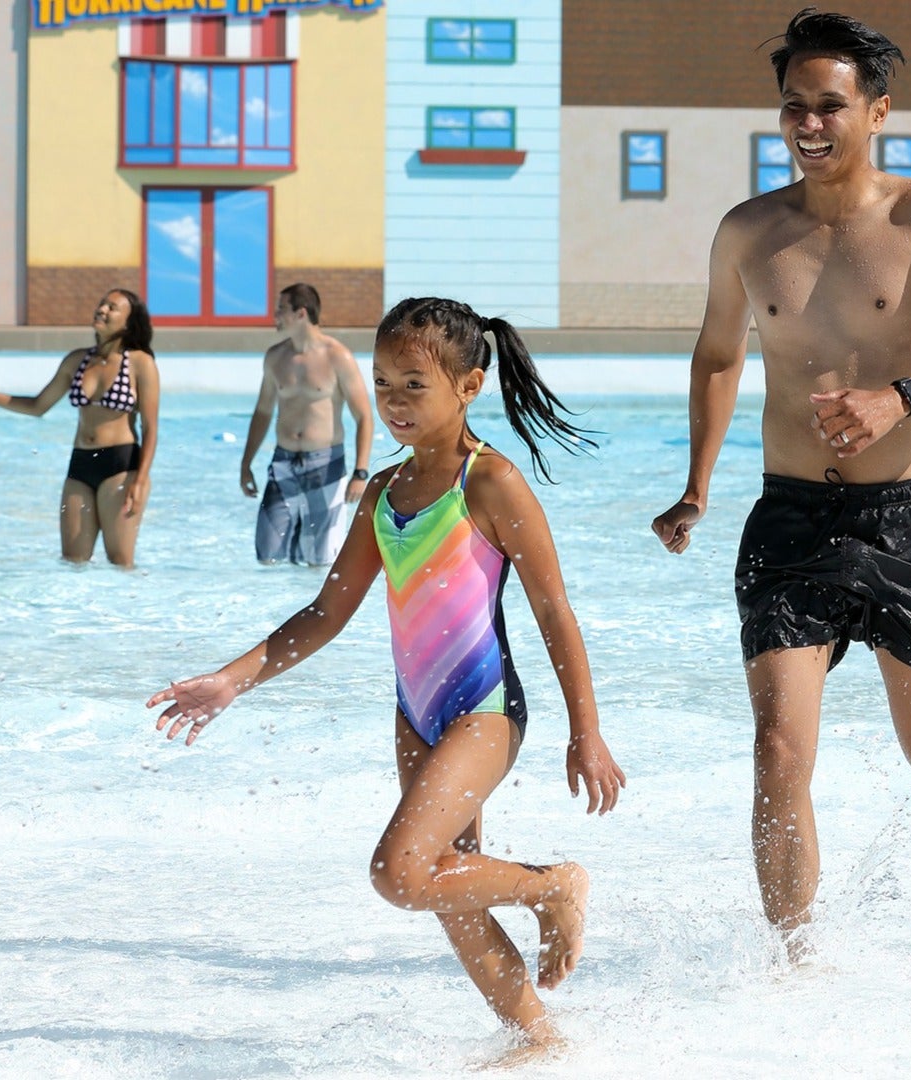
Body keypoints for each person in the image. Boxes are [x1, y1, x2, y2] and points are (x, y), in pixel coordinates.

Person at [148, 297, 625, 1053]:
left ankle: (551, 885)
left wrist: (586, 732)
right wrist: (232, 679)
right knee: (448, 885)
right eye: (382, 383)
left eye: (413, 384)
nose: (394, 402)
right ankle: (536, 1037)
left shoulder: (489, 483)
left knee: (399, 873)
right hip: (416, 713)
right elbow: (324, 614)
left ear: (469, 386)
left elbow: (555, 614)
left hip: (485, 710)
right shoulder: (384, 492)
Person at [649, 9, 911, 943]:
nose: (809, 124)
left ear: (878, 110)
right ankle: (792, 966)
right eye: (793, 108)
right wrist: (698, 486)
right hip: (792, 519)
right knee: (777, 751)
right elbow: (718, 357)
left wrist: (901, 398)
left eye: (830, 106)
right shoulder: (749, 231)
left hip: (910, 521)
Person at [0, 289, 160, 569]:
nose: (102, 309)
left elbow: (151, 428)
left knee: (120, 562)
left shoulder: (140, 363)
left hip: (121, 466)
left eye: (112, 307)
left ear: (129, 323)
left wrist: (141, 480)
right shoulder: (77, 361)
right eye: (101, 303)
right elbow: (38, 405)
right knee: (72, 562)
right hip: (80, 465)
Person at [240, 283, 375, 566]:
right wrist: (246, 463)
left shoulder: (337, 357)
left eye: (281, 309)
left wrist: (360, 473)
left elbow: (363, 415)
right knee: (267, 554)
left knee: (320, 561)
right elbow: (263, 412)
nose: (275, 315)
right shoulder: (276, 357)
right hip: (283, 462)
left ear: (301, 313)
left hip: (325, 464)